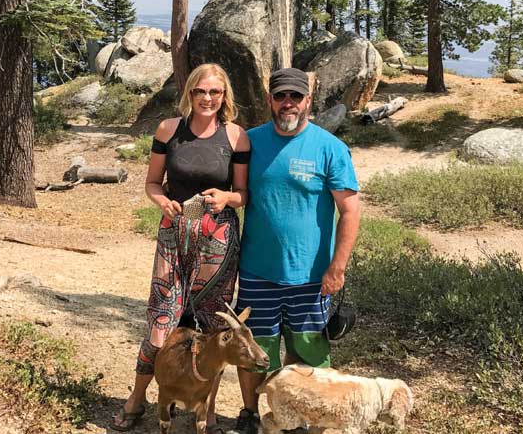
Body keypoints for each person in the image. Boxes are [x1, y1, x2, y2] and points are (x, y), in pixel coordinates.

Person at [111, 63, 251, 433]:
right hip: (174, 237)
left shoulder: (237, 137)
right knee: (161, 324)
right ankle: (138, 399)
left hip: (217, 242)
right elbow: (153, 184)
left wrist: (227, 197)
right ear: (189, 93)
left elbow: (243, 193)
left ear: (225, 97)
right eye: (199, 91)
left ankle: (206, 410)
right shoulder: (168, 130)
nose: (207, 99)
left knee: (210, 329)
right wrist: (161, 203)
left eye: (215, 93)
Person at [228, 67, 361, 434]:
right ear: (270, 99)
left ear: (308, 101)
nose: (288, 104)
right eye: (280, 96)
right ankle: (252, 414)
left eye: (295, 97)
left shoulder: (329, 148)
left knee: (309, 353)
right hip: (256, 271)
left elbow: (349, 210)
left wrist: (337, 267)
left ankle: (304, 418)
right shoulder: (249, 142)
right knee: (255, 352)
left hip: (311, 277)